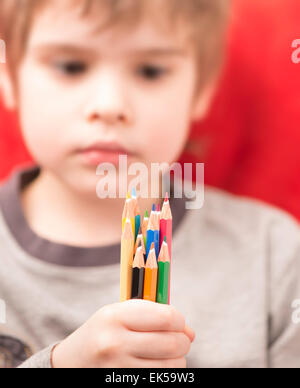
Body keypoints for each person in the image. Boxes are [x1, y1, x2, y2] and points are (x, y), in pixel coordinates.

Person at [0, 0, 299, 368]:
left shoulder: (275, 256)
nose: (110, 105)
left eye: (151, 71)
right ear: (9, 77)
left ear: (201, 90)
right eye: (71, 66)